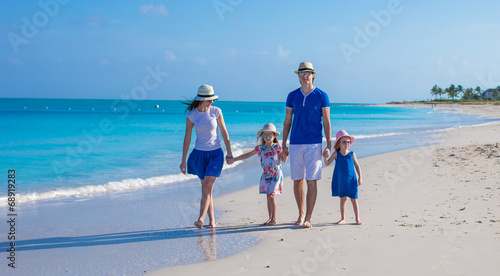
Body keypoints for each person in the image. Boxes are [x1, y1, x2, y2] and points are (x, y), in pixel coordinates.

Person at [282, 62, 332, 228]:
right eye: (301, 73)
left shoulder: (322, 95)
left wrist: (328, 145)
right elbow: (288, 120)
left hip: (314, 143)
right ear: (298, 76)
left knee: (312, 180)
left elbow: (326, 121)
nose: (304, 76)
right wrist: (283, 144)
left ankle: (309, 217)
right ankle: (301, 213)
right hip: (295, 143)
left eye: (307, 73)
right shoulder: (292, 96)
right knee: (297, 180)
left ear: (313, 75)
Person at [180, 84, 233, 229]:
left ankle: (201, 219)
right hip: (199, 155)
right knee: (206, 189)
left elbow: (224, 133)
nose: (212, 102)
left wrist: (229, 153)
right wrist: (183, 160)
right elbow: (187, 138)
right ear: (201, 99)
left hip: (215, 153)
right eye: (209, 100)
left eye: (212, 100)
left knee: (207, 186)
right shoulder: (192, 115)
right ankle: (212, 222)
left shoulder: (216, 112)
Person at [227, 123, 287, 226]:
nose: (267, 137)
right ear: (262, 136)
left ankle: (274, 219)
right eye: (265, 135)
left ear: (274, 136)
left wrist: (285, 154)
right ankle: (270, 218)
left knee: (272, 195)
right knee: (268, 196)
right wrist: (234, 159)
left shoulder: (277, 147)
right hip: (266, 174)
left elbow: (284, 160)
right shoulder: (260, 148)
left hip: (276, 174)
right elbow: (248, 155)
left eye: (270, 135)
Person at [324, 130, 363, 225]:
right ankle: (343, 218)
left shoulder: (352, 154)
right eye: (344, 142)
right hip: (341, 181)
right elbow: (327, 163)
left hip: (351, 181)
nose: (347, 143)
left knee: (354, 199)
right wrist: (325, 157)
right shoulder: (336, 154)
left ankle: (357, 218)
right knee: (343, 199)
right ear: (339, 143)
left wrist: (360, 177)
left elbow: (357, 166)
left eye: (348, 141)